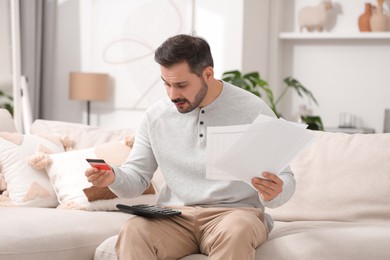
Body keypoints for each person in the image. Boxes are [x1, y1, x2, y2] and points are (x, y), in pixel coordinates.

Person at [86, 34, 296, 260]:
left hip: (235, 214)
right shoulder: (155, 116)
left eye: (181, 85)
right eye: (166, 84)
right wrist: (113, 178)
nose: (172, 95)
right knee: (133, 230)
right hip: (174, 216)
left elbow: (285, 176)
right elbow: (136, 179)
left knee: (237, 231)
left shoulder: (253, 110)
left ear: (208, 74)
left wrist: (276, 189)